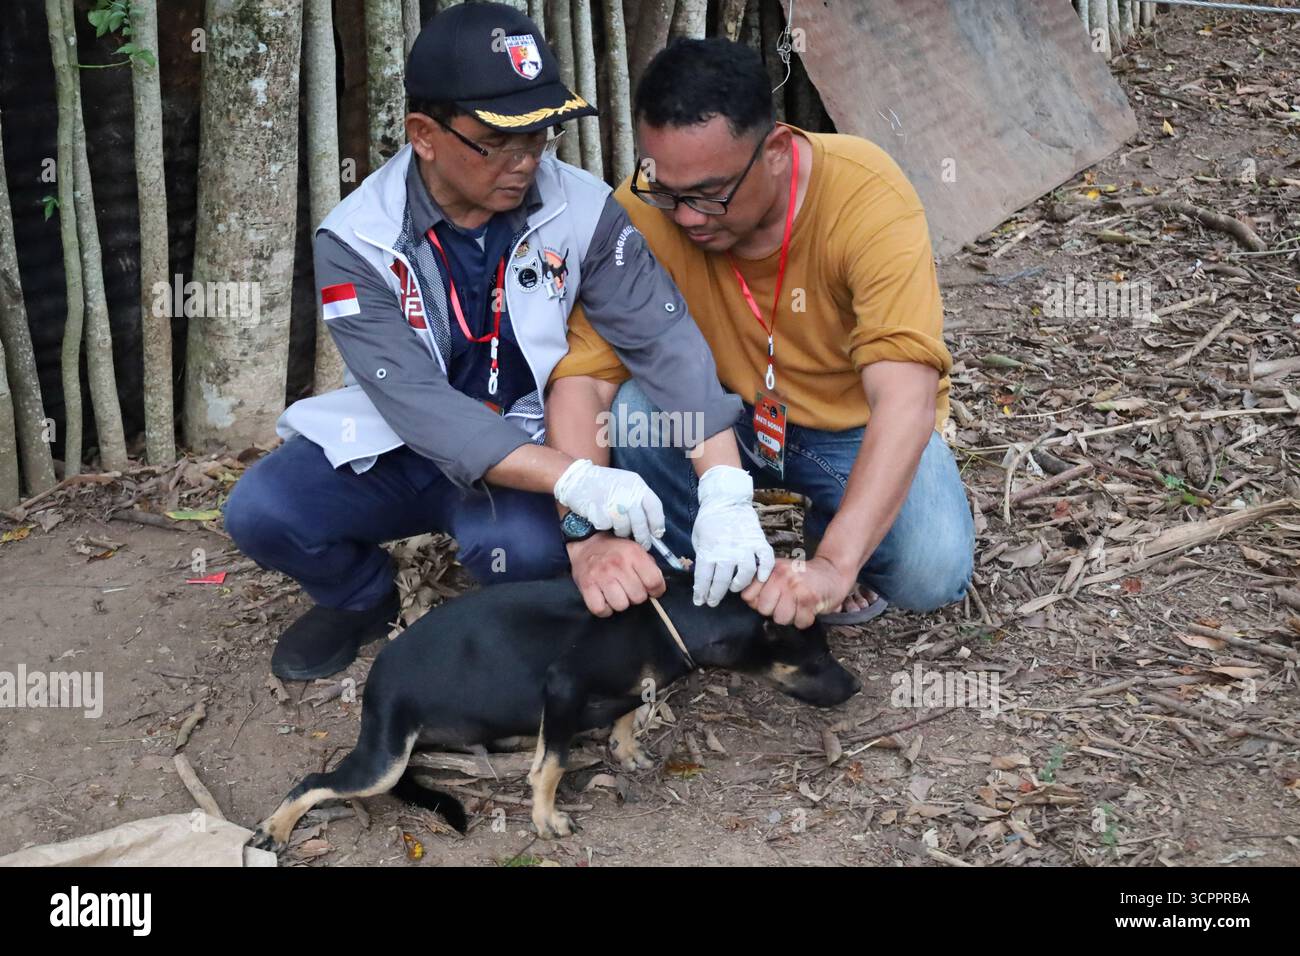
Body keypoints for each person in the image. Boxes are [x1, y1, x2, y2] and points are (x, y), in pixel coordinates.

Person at [222, 6, 772, 681]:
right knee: (264, 510)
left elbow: (662, 339)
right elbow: (418, 404)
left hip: (532, 443)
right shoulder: (355, 240)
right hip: (405, 445)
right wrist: (575, 480)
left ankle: (534, 635)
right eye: (498, 141)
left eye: (541, 136)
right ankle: (359, 598)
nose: (526, 161)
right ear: (424, 134)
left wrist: (724, 486)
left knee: (518, 549)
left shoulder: (584, 207)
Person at [550, 38, 975, 631]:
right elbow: (585, 380)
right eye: (667, 190)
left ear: (775, 151)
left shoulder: (865, 193)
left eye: (710, 193)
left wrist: (832, 566)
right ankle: (708, 565)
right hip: (715, 425)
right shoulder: (640, 212)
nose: (688, 217)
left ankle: (832, 535)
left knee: (933, 569)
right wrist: (587, 533)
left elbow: (905, 399)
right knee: (630, 411)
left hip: (847, 427)